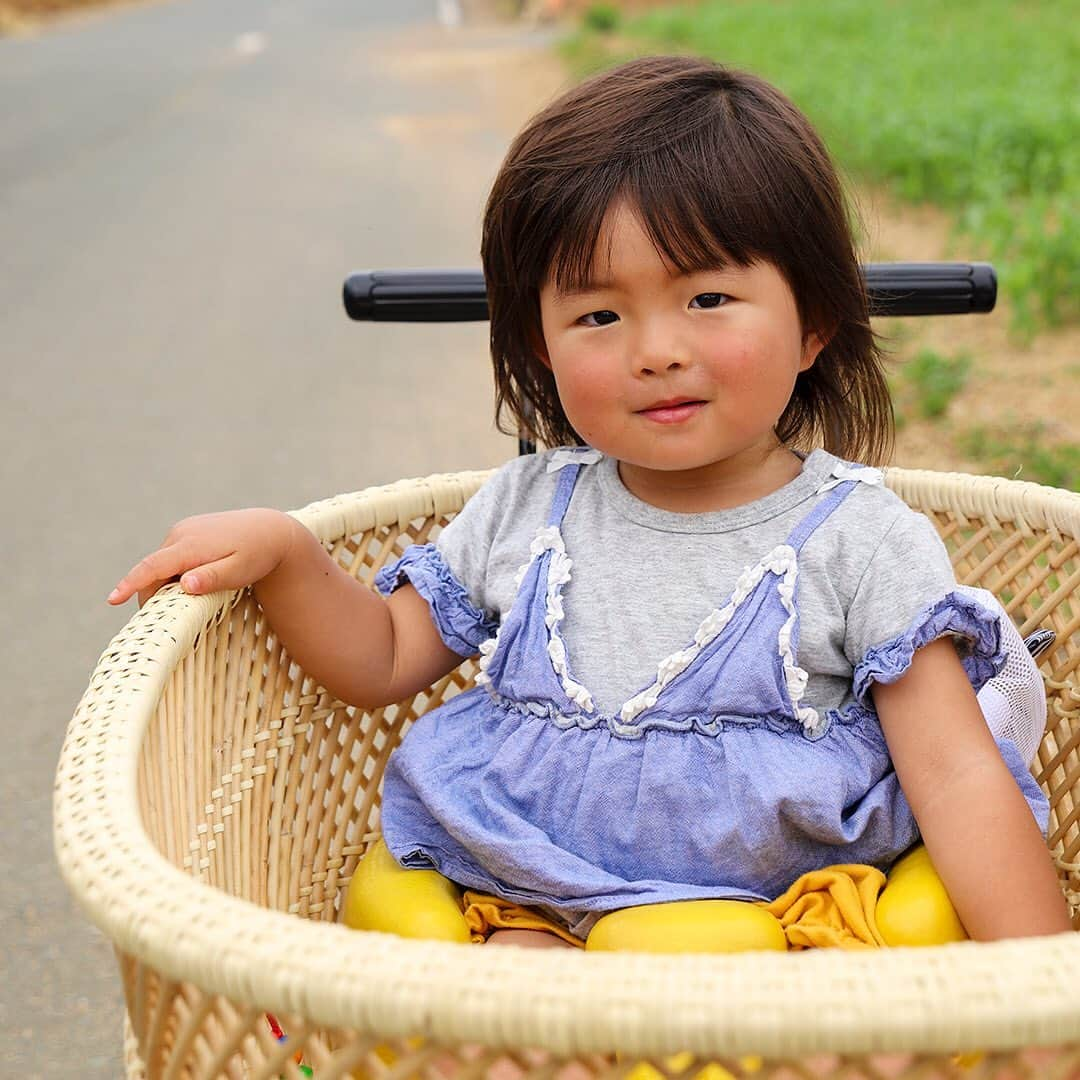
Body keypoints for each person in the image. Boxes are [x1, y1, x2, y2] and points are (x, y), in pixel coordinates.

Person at [108, 56, 1071, 952]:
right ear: (539, 345)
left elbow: (953, 773)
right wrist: (288, 553)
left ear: (815, 321)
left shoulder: (860, 540)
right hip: (533, 893)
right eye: (598, 315)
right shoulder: (528, 507)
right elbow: (385, 655)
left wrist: (1041, 1000)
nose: (654, 349)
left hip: (779, 915)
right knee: (493, 1027)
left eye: (706, 299)